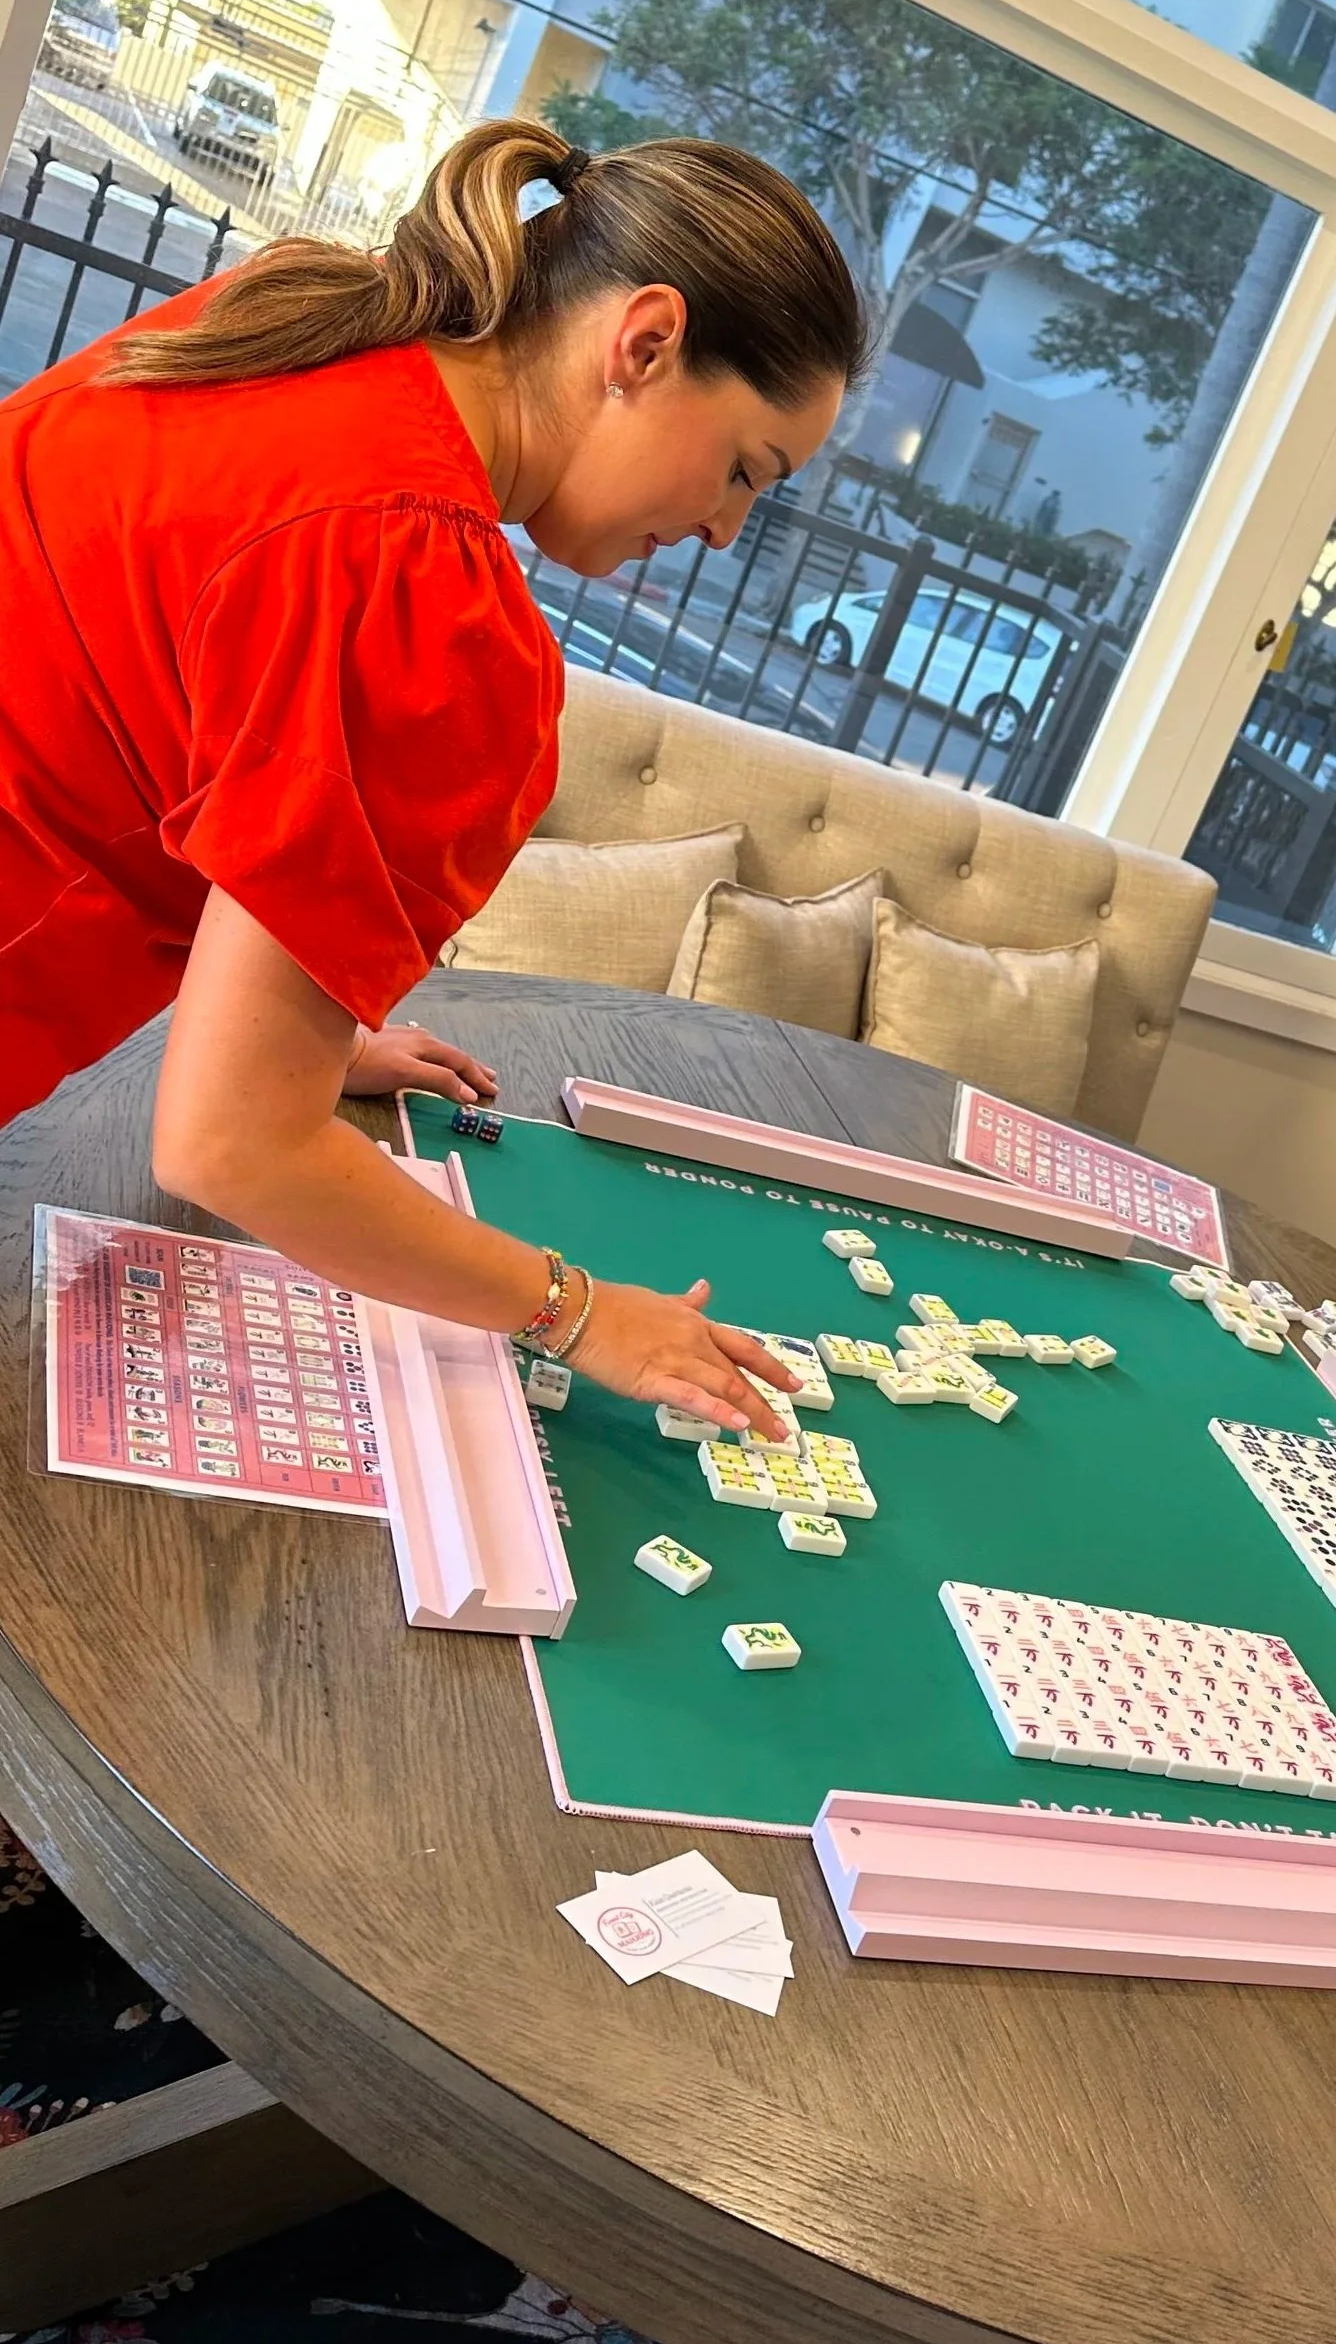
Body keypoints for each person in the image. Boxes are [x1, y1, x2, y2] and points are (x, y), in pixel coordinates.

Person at [0, 117, 868, 1435]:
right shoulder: (424, 591)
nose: (722, 527)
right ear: (642, 342)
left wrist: (299, 1027)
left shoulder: (299, 316)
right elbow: (228, 1144)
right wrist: (581, 1310)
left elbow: (135, 714)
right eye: (743, 467)